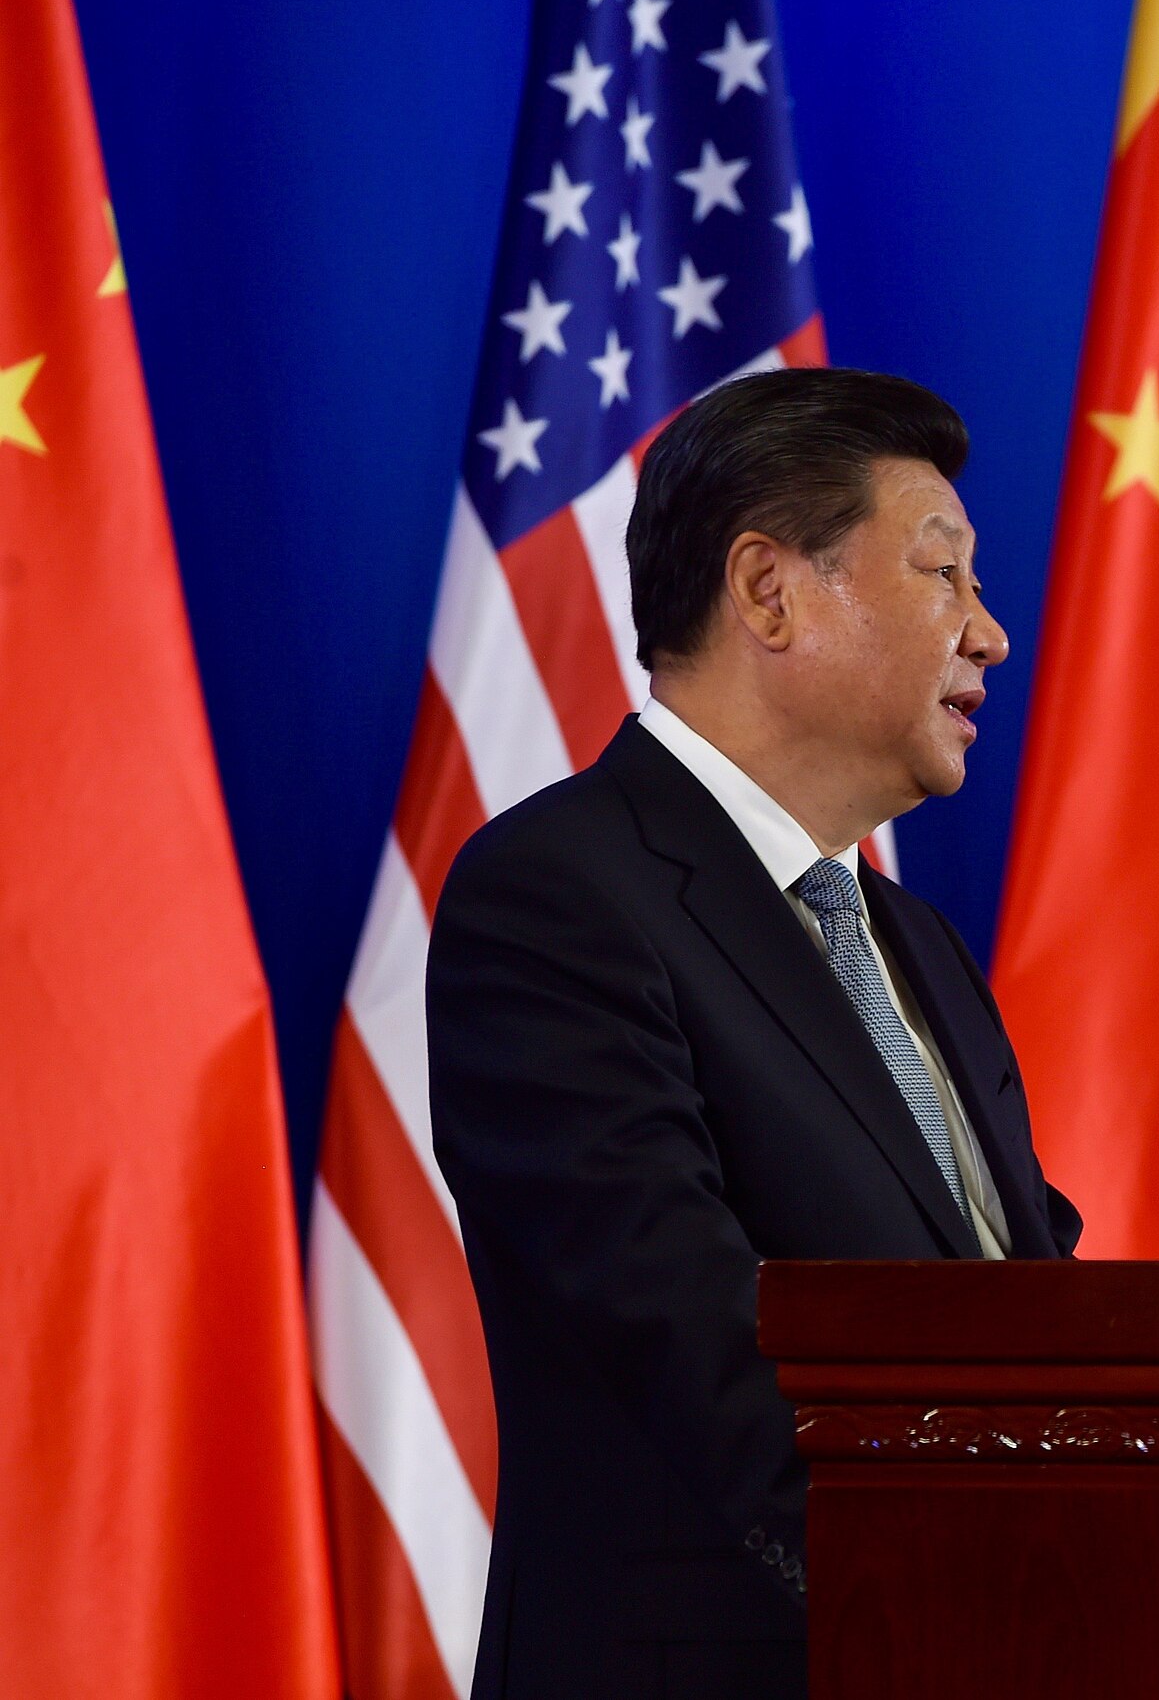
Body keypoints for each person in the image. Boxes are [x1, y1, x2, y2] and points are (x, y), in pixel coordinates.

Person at [427, 368, 1081, 1699]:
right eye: (943, 572)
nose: (992, 633)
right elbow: (688, 1334)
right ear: (772, 592)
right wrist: (970, 1573)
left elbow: (1035, 1312)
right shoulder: (555, 896)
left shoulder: (929, 954)